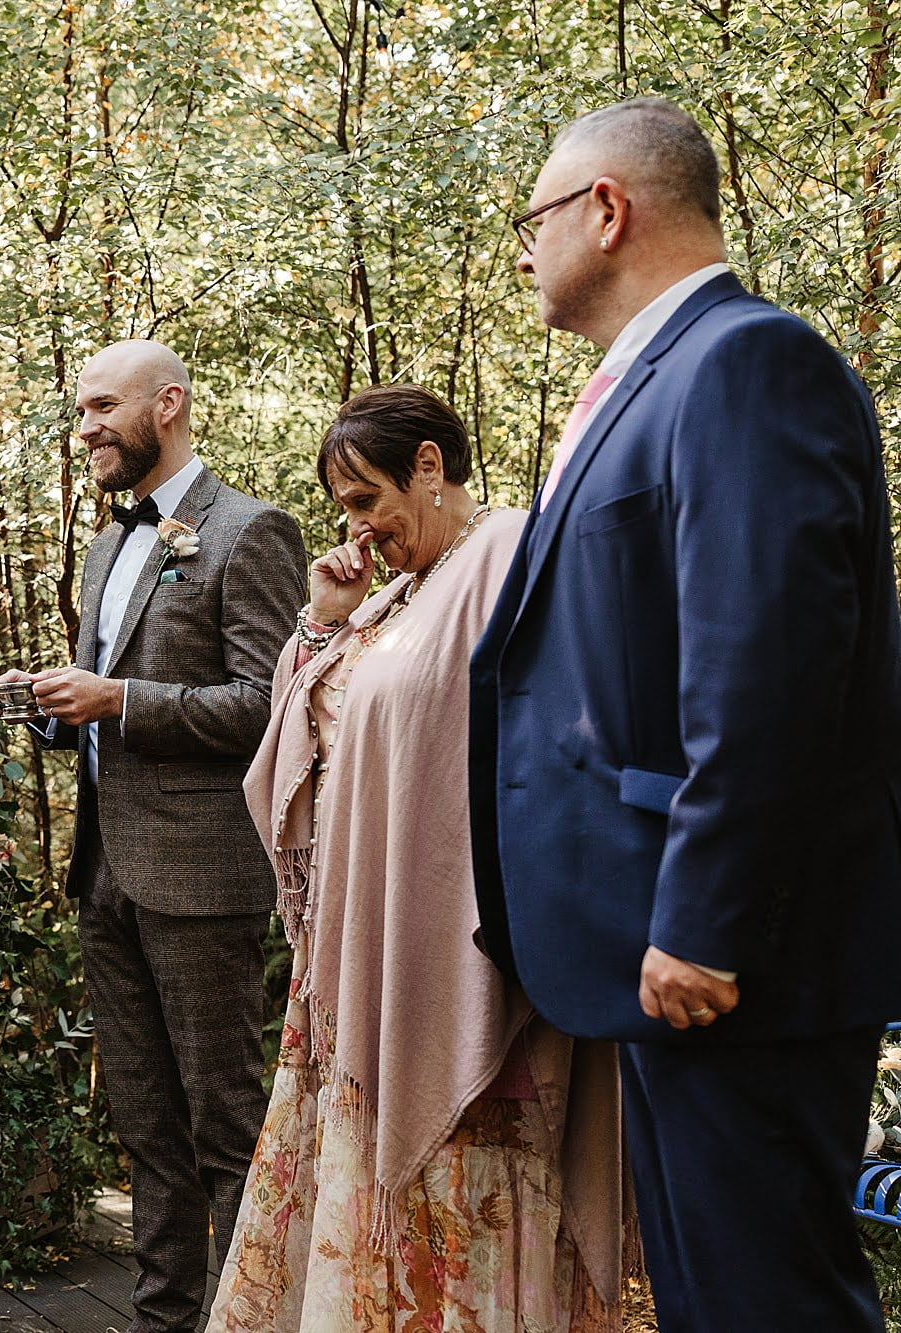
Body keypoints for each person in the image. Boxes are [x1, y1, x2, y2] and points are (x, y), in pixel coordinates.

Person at [471, 96, 901, 1331]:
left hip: (736, 955)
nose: (519, 246)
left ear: (605, 210)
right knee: (711, 1301)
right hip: (654, 942)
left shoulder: (743, 364)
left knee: (765, 1300)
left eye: (531, 216)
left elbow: (765, 671)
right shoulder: (645, 383)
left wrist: (704, 923)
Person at [204, 386, 626, 1331]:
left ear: (430, 466)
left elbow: (550, 733)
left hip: (457, 940)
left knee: (462, 1190)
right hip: (366, 947)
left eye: (366, 501)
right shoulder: (395, 592)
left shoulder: (512, 551)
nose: (358, 527)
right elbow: (316, 729)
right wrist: (325, 620)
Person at [0, 339, 305, 1333]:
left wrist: (119, 697)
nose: (83, 426)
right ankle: (163, 1317)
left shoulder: (248, 532)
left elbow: (267, 704)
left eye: (99, 407)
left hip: (201, 875)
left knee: (223, 1120)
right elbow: (104, 700)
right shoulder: (108, 542)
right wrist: (45, 705)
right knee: (144, 1120)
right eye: (79, 409)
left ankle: (260, 1314)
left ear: (166, 406)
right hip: (105, 871)